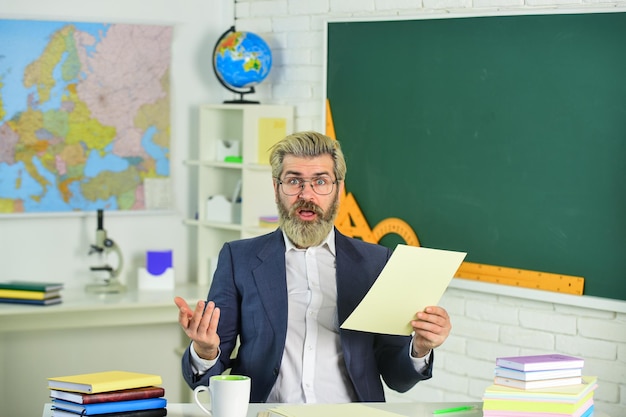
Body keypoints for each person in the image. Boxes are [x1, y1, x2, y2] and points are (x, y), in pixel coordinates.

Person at [174, 131, 451, 403]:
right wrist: (205, 351)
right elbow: (207, 376)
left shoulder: (376, 262)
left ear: (338, 190)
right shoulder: (239, 259)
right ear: (276, 188)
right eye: (294, 181)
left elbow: (396, 378)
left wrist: (421, 347)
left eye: (320, 181)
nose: (307, 194)